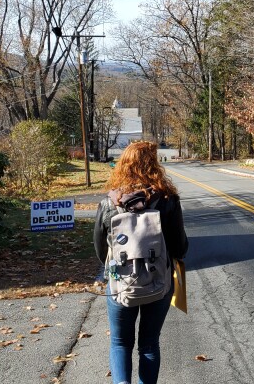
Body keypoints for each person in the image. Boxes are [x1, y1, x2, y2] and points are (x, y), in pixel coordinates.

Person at [94, 141, 188, 384]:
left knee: (120, 342)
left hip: (120, 284)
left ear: (124, 164)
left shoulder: (109, 202)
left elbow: (99, 248)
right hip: (158, 283)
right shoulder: (168, 199)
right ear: (155, 165)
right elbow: (180, 248)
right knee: (148, 343)